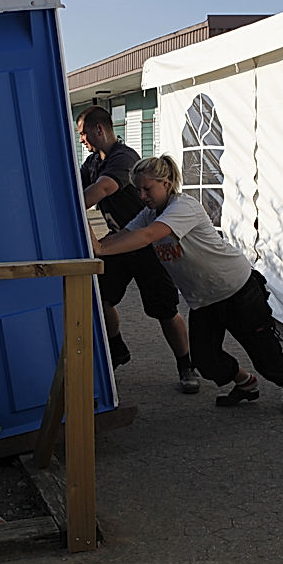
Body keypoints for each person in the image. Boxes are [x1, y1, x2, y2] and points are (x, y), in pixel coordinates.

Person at [92, 154, 283, 418]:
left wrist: (100, 247)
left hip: (237, 287)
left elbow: (146, 237)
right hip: (204, 300)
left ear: (167, 183)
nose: (143, 195)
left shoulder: (183, 207)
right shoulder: (148, 214)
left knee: (264, 353)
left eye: (148, 188)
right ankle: (246, 383)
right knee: (204, 360)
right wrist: (97, 246)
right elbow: (123, 235)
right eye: (139, 189)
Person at [76, 106, 200, 393]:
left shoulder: (123, 157)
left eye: (83, 133)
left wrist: (70, 210)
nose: (81, 139)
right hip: (120, 241)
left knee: (164, 310)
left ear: (99, 129)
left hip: (146, 244)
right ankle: (117, 349)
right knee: (100, 298)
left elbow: (102, 190)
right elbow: (76, 186)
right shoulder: (94, 161)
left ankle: (186, 366)